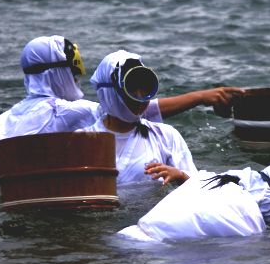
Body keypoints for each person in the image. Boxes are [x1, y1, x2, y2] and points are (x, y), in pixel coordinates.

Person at [0, 35, 244, 147]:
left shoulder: (2, 121)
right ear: (58, 73)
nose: (78, 75)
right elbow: (133, 108)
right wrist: (200, 97)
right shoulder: (66, 112)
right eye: (74, 68)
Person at [77, 50, 198, 185]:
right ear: (109, 93)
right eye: (132, 89)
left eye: (145, 88)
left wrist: (180, 175)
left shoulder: (165, 136)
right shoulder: (80, 141)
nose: (140, 98)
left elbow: (197, 188)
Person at [117, 163, 270, 242]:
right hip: (146, 253)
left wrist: (181, 175)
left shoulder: (221, 183)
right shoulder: (249, 222)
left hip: (128, 234)